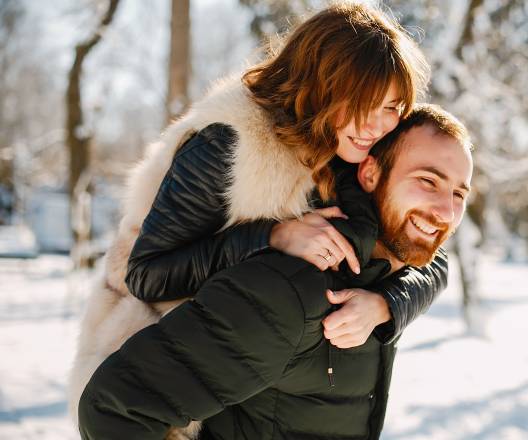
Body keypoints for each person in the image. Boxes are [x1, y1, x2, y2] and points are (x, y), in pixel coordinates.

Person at [67, 1, 443, 436]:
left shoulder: (350, 154)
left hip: (246, 386)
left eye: (392, 107)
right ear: (322, 83)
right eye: (362, 101)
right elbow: (146, 276)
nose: (377, 124)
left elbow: (429, 257)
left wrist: (386, 305)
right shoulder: (229, 144)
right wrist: (271, 235)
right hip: (155, 382)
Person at [78, 104, 473, 440]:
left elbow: (437, 264)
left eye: (459, 193)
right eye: (427, 181)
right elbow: (115, 408)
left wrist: (387, 305)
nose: (447, 211)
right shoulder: (291, 291)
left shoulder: (383, 274)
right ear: (369, 174)